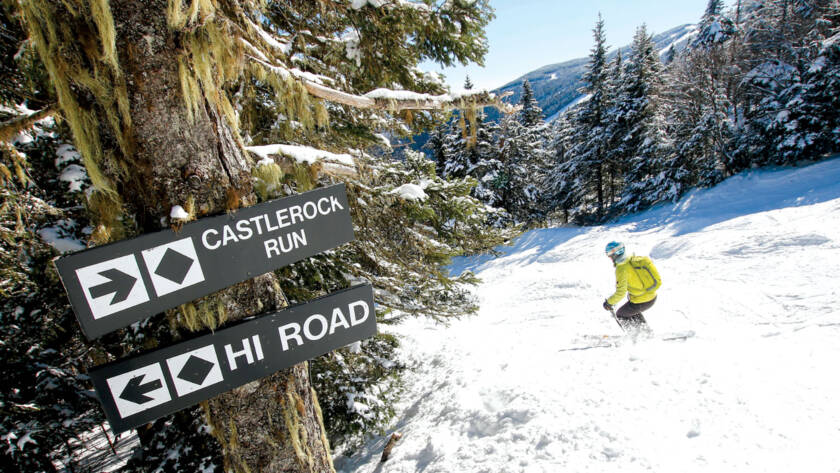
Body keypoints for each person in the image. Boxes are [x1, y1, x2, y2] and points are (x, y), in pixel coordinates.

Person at [602, 241, 661, 333]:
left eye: (609, 253)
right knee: (631, 311)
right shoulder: (632, 260)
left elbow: (621, 293)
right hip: (651, 297)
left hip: (641, 301)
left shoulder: (621, 268)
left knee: (621, 314)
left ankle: (635, 336)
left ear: (616, 253)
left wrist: (609, 303)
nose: (609, 256)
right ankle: (646, 332)